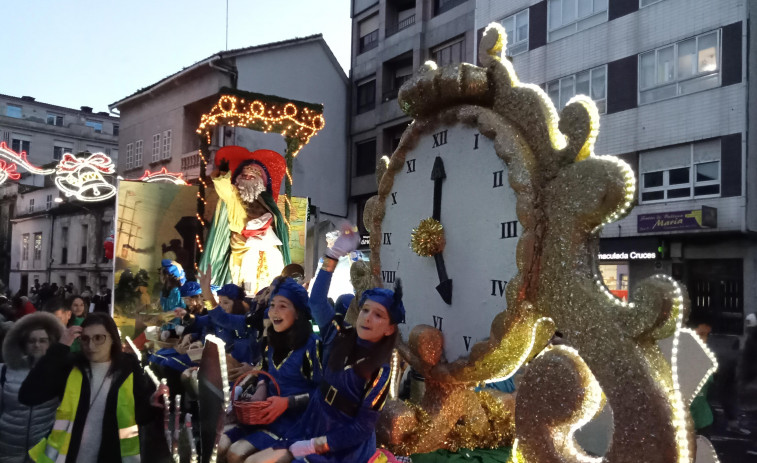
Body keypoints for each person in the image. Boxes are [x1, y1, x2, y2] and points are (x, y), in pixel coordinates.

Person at [249, 224, 402, 463]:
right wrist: (332, 256)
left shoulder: (380, 369)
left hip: (342, 446)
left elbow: (362, 428)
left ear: (390, 328)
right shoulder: (338, 337)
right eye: (365, 310)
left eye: (378, 315)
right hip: (313, 421)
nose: (368, 318)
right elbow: (317, 300)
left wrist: (316, 445)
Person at [20, 313, 167, 462]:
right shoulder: (71, 366)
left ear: (112, 339)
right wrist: (60, 347)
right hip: (67, 457)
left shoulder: (128, 367)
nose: (91, 346)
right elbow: (29, 395)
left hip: (111, 456)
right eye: (85, 339)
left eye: (98, 338)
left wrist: (152, 403)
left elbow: (139, 415)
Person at [220, 277, 322, 463]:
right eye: (273, 305)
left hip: (298, 423)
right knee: (222, 446)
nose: (274, 311)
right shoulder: (272, 342)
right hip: (266, 416)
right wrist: (258, 389)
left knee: (241, 456)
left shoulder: (312, 347)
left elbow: (321, 393)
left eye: (283, 306)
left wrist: (288, 402)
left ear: (298, 312)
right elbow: (264, 373)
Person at [201, 147, 290, 295]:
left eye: (252, 177)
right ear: (238, 179)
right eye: (244, 176)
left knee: (274, 275)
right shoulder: (234, 196)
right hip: (243, 246)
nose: (247, 179)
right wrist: (222, 176)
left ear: (260, 181)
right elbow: (225, 191)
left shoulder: (266, 200)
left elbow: (277, 223)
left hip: (268, 249)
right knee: (245, 281)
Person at [0, 312, 64, 463]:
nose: (37, 345)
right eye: (32, 341)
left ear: (50, 343)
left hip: (43, 450)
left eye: (43, 341)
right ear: (24, 344)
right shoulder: (5, 371)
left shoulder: (59, 373)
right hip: (7, 448)